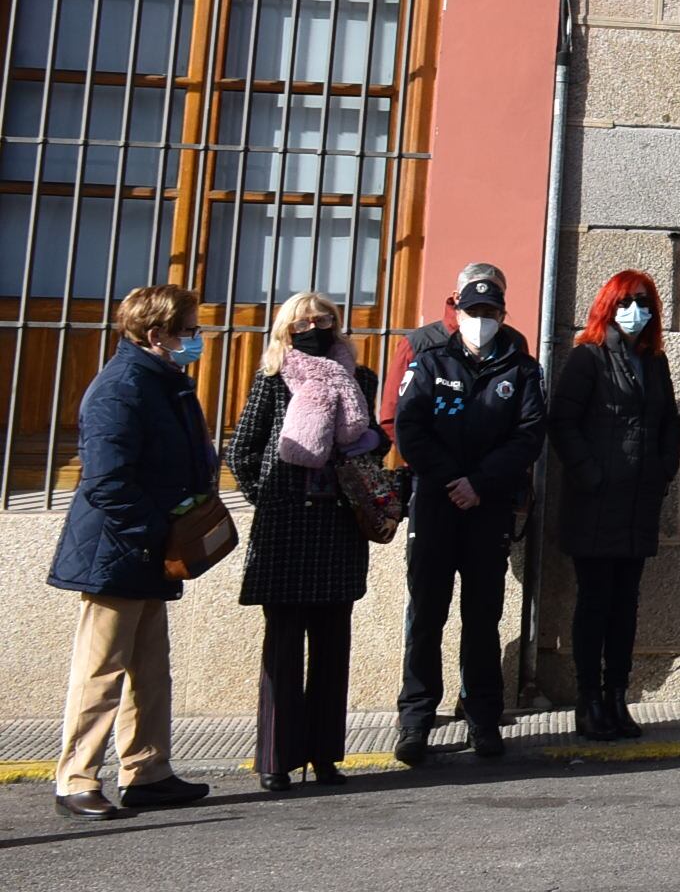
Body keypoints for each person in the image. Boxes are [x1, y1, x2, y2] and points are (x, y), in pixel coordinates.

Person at [49, 284, 217, 820]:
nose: (197, 340)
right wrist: (156, 531)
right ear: (156, 334)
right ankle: (76, 779)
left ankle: (147, 772)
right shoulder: (122, 388)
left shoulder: (165, 383)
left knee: (149, 670)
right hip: (117, 551)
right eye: (189, 331)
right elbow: (106, 482)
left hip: (144, 549)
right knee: (102, 670)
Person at [227, 291, 385, 791]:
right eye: (305, 321)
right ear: (286, 329)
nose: (316, 327)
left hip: (339, 528)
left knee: (332, 648)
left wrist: (371, 451)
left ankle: (324, 756)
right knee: (283, 650)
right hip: (287, 531)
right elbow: (242, 452)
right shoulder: (273, 380)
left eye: (326, 319)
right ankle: (276, 760)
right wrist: (271, 498)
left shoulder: (360, 379)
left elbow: (371, 442)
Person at [394, 265, 545, 766]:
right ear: (458, 313)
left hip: (487, 507)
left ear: (502, 315)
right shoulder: (431, 359)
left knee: (482, 618)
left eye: (489, 312)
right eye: (473, 311)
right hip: (436, 504)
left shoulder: (520, 369)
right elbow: (409, 427)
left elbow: (528, 436)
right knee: (426, 615)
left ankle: (483, 718)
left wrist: (479, 484)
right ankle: (416, 720)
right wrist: (449, 481)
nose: (481, 320)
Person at [549, 269, 678, 740]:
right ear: (609, 304)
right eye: (626, 301)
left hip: (638, 504)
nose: (635, 311)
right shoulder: (588, 358)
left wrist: (664, 468)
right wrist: (592, 474)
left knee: (626, 605)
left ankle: (616, 697)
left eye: (643, 302)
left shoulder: (654, 362)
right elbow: (562, 422)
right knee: (595, 603)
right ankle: (588, 702)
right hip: (596, 503)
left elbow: (667, 423)